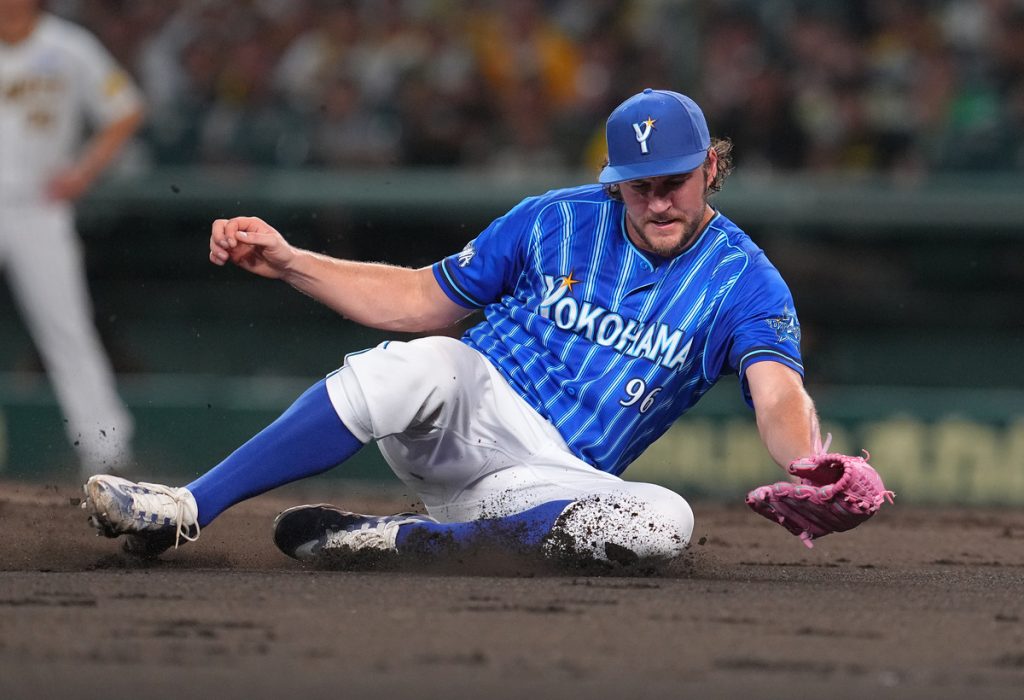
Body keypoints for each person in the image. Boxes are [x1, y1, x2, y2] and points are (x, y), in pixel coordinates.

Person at [82, 88, 888, 564]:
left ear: (713, 166)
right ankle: (186, 507)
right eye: (636, 185)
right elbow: (419, 299)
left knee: (664, 525)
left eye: (673, 180)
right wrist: (293, 262)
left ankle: (389, 545)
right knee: (431, 359)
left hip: (549, 480)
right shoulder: (552, 220)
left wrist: (810, 460)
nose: (656, 200)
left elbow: (776, 389)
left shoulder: (744, 278)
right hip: (467, 411)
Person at [0, 0, 143, 477]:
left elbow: (125, 109)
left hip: (39, 208)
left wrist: (84, 172)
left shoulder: (68, 45)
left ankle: (106, 452)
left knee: (67, 330)